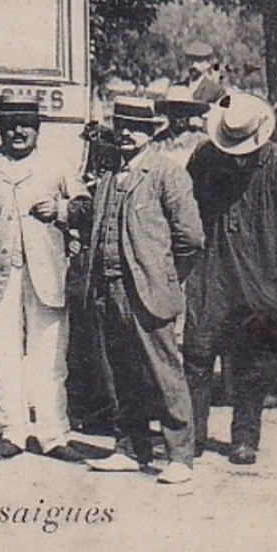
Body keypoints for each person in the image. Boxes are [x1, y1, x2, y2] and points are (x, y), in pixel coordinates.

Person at [79, 98, 206, 485]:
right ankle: (129, 448)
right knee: (122, 372)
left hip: (149, 290)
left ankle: (180, 455)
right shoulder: (108, 176)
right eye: (121, 126)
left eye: (135, 127)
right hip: (109, 287)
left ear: (151, 132)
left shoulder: (167, 174)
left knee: (164, 371)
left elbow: (191, 238)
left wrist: (166, 277)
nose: (126, 134)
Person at [0, 96, 90, 463]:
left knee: (49, 356)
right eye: (9, 124)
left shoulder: (56, 165)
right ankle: (12, 432)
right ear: (0, 128)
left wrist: (62, 209)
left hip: (46, 274)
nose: (17, 131)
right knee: (2, 356)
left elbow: (86, 205)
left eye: (25, 124)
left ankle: (53, 434)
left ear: (38, 128)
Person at [183, 93, 277, 466]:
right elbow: (186, 210)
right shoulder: (204, 158)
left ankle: (245, 438)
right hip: (211, 272)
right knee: (198, 353)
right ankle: (192, 435)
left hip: (261, 278)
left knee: (252, 360)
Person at [157, 83, 211, 168]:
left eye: (184, 111)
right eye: (176, 111)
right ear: (168, 113)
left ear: (190, 113)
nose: (181, 116)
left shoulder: (201, 142)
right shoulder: (158, 142)